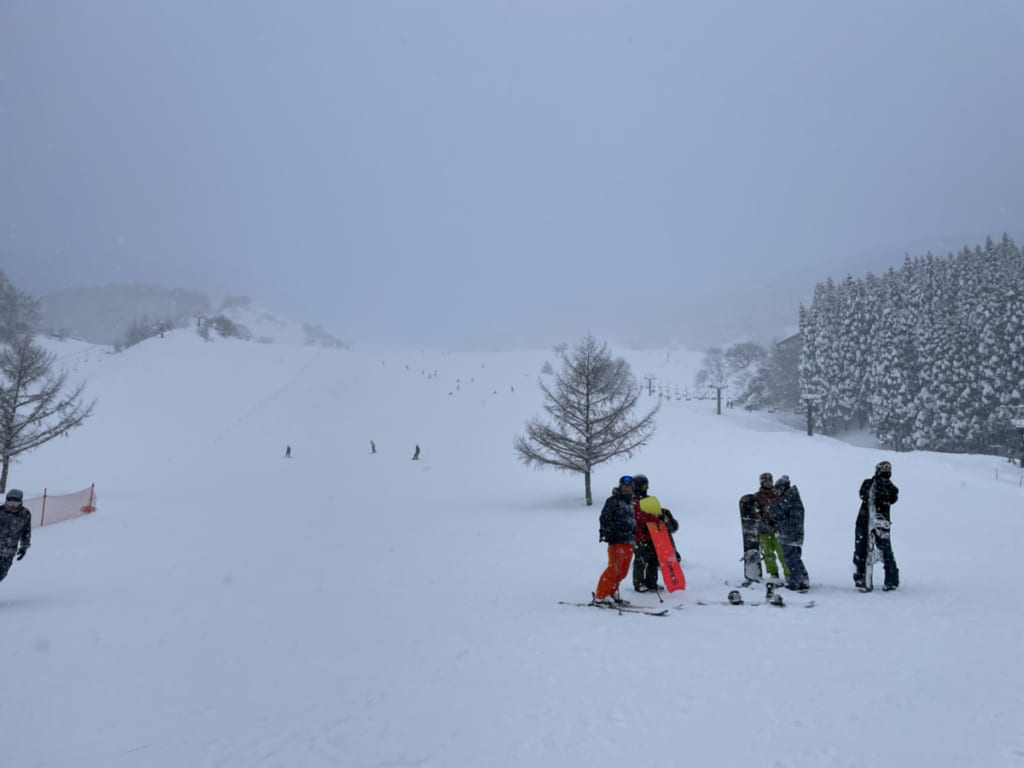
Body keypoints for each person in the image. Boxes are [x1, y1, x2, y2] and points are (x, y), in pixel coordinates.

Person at [853, 460, 900, 591]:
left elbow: (892, 498)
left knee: (886, 551)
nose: (885, 473)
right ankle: (861, 580)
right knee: (860, 550)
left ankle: (891, 581)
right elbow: (863, 494)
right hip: (863, 522)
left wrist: (882, 489)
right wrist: (875, 486)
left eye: (888, 471)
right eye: (883, 470)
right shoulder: (869, 483)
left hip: (881, 524)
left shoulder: (891, 488)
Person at [631, 474, 679, 593]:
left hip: (653, 535)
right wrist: (658, 517)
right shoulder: (633, 501)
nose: (645, 488)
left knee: (654, 560)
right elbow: (642, 515)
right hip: (639, 537)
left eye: (646, 486)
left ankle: (651, 582)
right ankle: (639, 583)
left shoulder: (648, 499)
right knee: (640, 561)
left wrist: (665, 512)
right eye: (643, 486)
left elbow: (654, 510)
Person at [593, 476, 637, 606]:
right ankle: (601, 596)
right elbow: (604, 517)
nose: (627, 488)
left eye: (629, 486)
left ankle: (612, 593)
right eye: (624, 486)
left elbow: (634, 522)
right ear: (620, 487)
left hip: (629, 540)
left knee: (623, 571)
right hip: (617, 539)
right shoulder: (613, 501)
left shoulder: (632, 503)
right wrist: (606, 532)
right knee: (614, 569)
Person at [771, 475, 810, 592]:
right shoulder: (793, 497)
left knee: (790, 559)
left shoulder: (788, 497)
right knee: (795, 558)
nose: (777, 492)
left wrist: (769, 508)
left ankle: (796, 582)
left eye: (778, 489)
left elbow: (778, 511)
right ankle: (803, 580)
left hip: (790, 534)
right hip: (794, 533)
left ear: (783, 488)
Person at [755, 472, 790, 583]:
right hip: (764, 530)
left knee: (782, 553)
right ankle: (773, 573)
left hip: (777, 530)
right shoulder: (757, 496)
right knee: (768, 554)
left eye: (770, 481)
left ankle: (788, 574)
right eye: (766, 481)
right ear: (762, 482)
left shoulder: (778, 494)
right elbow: (754, 512)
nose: (769, 483)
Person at [0, 489, 31, 584]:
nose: (13, 506)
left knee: (1, 574)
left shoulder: (25, 514)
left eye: (16, 503)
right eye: (10, 503)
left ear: (21, 502)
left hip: (9, 551)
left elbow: (26, 532)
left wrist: (23, 548)